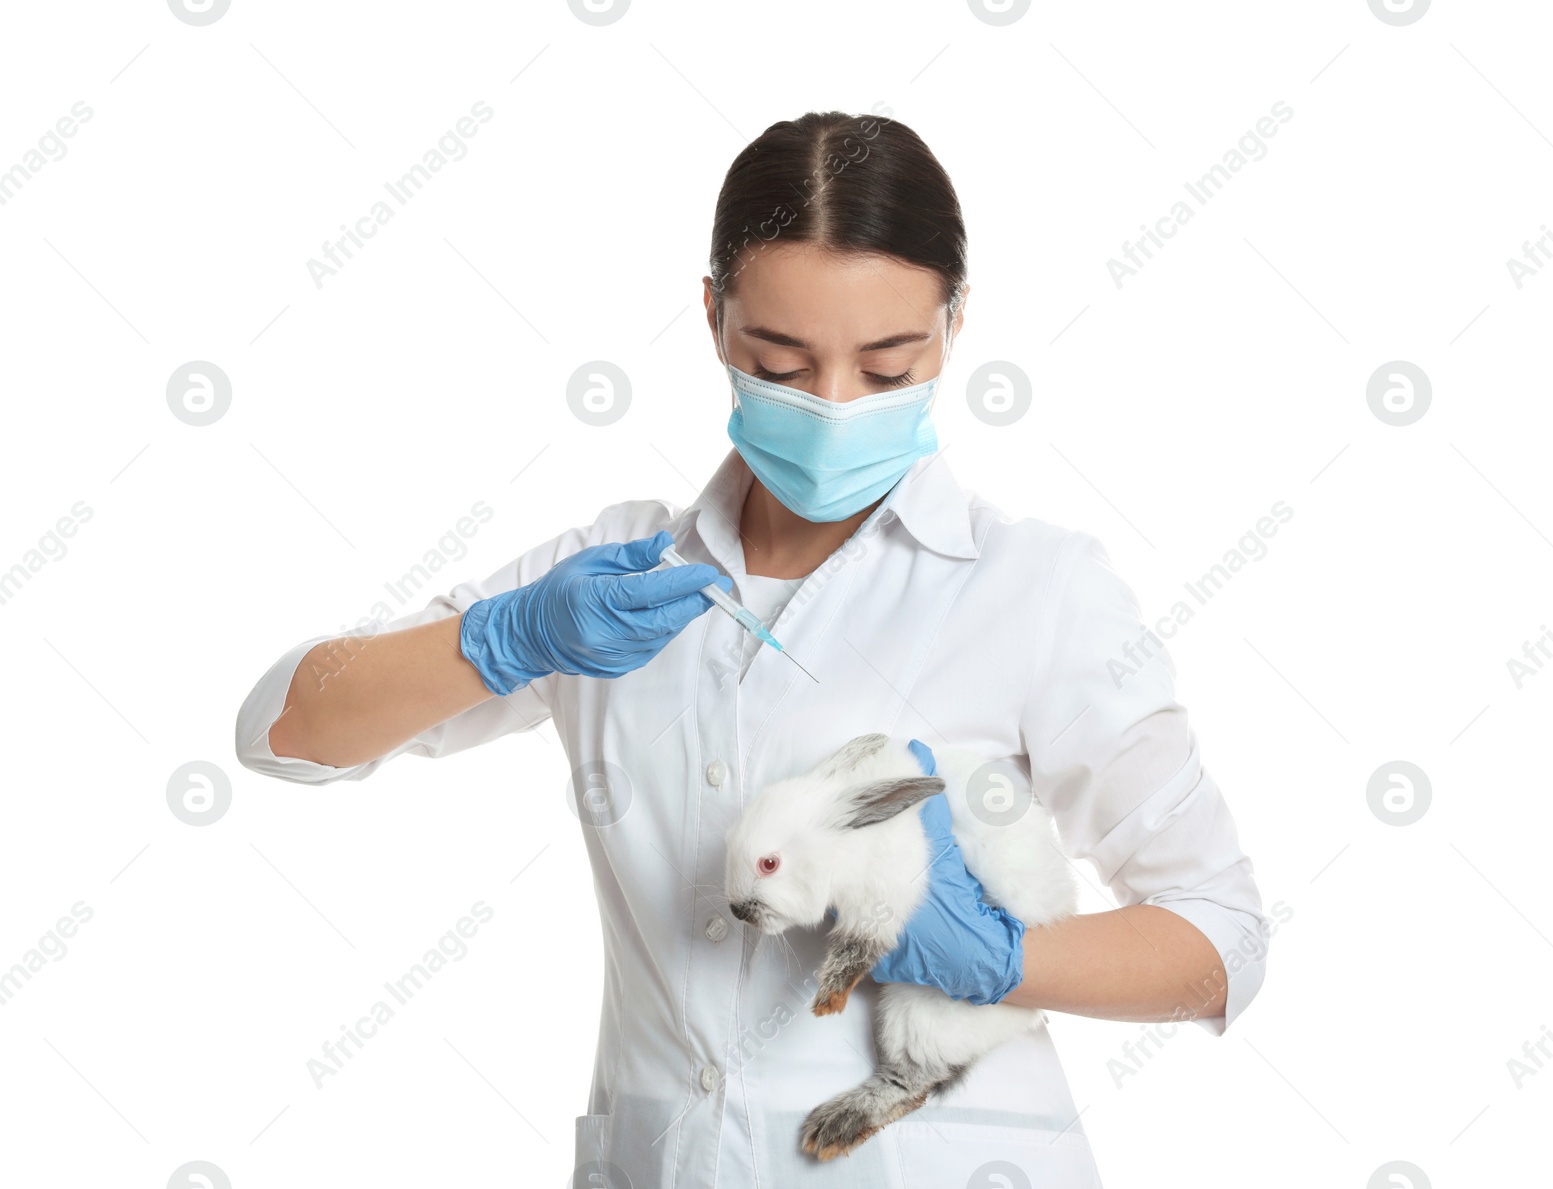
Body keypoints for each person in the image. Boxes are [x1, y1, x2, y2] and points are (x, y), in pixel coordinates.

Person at [235, 109, 1269, 1189]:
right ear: (714, 318)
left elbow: (1223, 939)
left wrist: (1009, 962)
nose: (831, 406)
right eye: (781, 359)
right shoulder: (610, 575)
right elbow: (285, 728)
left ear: (955, 325)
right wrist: (505, 637)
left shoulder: (1034, 589)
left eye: (885, 365)